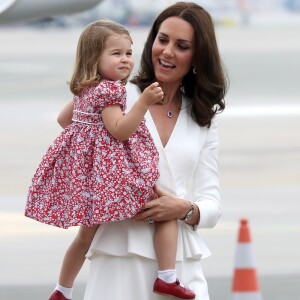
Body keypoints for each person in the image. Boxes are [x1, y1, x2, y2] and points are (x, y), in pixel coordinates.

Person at [55, 2, 228, 299]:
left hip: (179, 263)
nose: (167, 51)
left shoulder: (203, 117)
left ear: (197, 55)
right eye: (162, 40)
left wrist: (186, 209)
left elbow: (212, 202)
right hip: (119, 254)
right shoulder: (117, 94)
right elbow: (72, 130)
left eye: (181, 45)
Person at [25, 19, 195, 300]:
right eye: (116, 54)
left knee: (84, 237)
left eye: (128, 53)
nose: (125, 60)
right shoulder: (111, 90)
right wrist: (143, 103)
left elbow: (63, 120)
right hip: (113, 175)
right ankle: (167, 277)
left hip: (93, 175)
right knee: (164, 210)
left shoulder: (85, 88)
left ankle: (62, 290)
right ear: (94, 57)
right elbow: (119, 131)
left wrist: (87, 141)